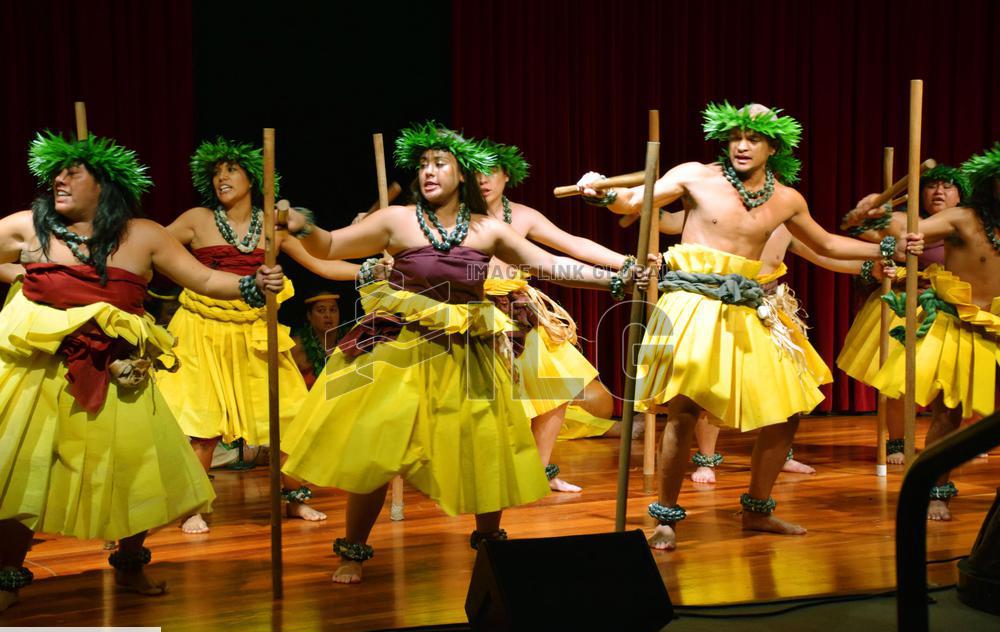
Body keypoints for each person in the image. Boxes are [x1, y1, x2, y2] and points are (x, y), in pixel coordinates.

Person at [280, 122, 648, 583]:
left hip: (467, 350)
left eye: (440, 163)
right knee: (379, 445)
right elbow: (332, 244)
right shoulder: (396, 219)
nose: (429, 172)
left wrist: (616, 276)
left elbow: (551, 265)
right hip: (401, 348)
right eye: (423, 164)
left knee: (483, 446)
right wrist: (305, 225)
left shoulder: (488, 229)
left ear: (462, 173)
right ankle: (353, 549)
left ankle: (491, 545)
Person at [578, 102, 922, 550]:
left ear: (772, 146)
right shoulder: (694, 176)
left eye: (753, 139)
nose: (742, 146)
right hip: (694, 301)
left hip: (749, 306)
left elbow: (827, 244)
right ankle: (665, 517)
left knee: (789, 409)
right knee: (684, 407)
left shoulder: (786, 199)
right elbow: (635, 201)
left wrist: (890, 249)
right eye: (735, 137)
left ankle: (758, 508)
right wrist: (602, 192)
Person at [0, 132, 284, 611]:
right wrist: (19, 274)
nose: (59, 180)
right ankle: (7, 575)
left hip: (119, 373)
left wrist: (254, 284)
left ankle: (131, 565)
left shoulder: (145, 235)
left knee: (134, 469)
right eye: (57, 173)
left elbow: (206, 279)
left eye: (74, 172)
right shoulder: (29, 228)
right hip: (43, 373)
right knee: (27, 467)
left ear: (105, 184)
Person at [157, 137, 360, 533]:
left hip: (255, 332)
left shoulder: (273, 226)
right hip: (202, 330)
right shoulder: (196, 220)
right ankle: (195, 505)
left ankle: (294, 499)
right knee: (203, 427)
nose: (222, 179)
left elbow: (323, 263)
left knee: (289, 417)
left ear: (253, 177)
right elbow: (152, 250)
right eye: (215, 174)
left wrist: (370, 270)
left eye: (230, 170)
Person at [475, 138, 634, 490]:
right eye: (474, 171)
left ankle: (539, 472)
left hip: (520, 312)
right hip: (471, 315)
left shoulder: (524, 216)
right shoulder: (456, 220)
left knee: (555, 391)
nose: (482, 179)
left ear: (506, 176)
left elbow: (573, 245)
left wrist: (625, 264)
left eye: (491, 171)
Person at [857, 143, 1000, 520]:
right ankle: (936, 490)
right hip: (963, 323)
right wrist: (887, 226)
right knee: (947, 412)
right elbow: (908, 229)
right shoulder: (963, 218)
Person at [837, 165, 969, 464]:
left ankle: (957, 440)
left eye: (947, 186)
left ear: (960, 195)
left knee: (949, 382)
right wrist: (869, 210)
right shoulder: (902, 221)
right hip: (904, 304)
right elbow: (853, 227)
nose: (939, 192)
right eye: (932, 186)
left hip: (950, 309)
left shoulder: (967, 225)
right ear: (919, 194)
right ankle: (897, 441)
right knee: (898, 380)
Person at [291, 290, 342, 388]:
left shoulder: (349, 342)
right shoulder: (296, 347)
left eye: (333, 310)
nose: (328, 315)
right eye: (321, 310)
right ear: (309, 316)